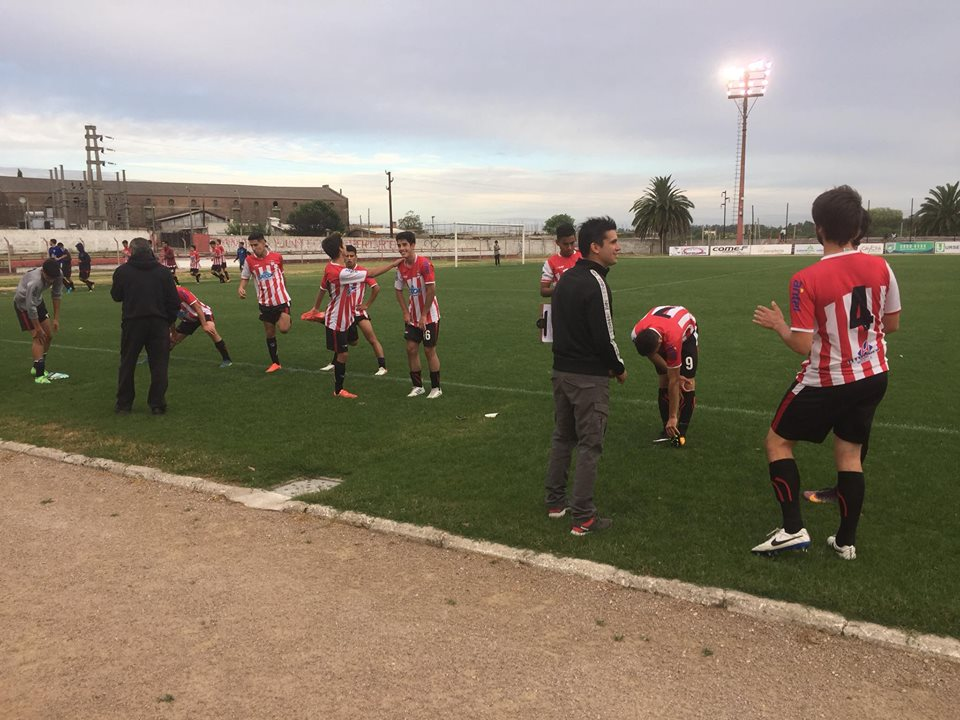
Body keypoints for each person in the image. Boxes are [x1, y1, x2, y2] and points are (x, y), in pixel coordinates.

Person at [750, 185, 901, 560]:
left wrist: (779, 326)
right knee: (850, 455)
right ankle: (845, 543)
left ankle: (791, 530)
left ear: (819, 229)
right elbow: (892, 323)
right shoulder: (881, 265)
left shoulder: (806, 278)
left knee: (777, 443)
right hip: (874, 374)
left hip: (828, 379)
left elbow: (802, 345)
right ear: (856, 227)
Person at [544, 216, 625, 536]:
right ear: (595, 247)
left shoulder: (565, 280)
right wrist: (618, 367)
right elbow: (605, 336)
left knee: (563, 437)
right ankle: (583, 516)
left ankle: (555, 502)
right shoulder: (595, 282)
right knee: (591, 445)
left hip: (561, 373)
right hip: (588, 378)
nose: (618, 247)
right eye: (614, 242)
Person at [309, 235, 400, 398]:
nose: (346, 248)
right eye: (343, 245)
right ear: (340, 249)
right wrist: (393, 264)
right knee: (343, 354)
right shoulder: (340, 272)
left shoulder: (334, 268)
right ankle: (338, 390)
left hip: (347, 317)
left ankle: (322, 319)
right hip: (337, 320)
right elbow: (371, 273)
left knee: (352, 344)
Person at [111, 237, 180, 415]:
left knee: (127, 363)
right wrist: (167, 321)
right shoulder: (163, 272)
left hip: (133, 322)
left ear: (132, 252)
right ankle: (157, 403)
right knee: (159, 365)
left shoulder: (122, 271)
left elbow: (116, 296)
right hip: (158, 323)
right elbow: (174, 302)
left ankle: (124, 404)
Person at [319, 244, 391, 376]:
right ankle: (334, 363)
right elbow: (326, 287)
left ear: (356, 257)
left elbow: (376, 287)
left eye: (352, 256)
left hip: (358, 311)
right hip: (344, 313)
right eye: (347, 256)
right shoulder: (341, 272)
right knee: (342, 339)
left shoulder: (362, 271)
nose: (349, 259)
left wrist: (366, 305)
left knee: (371, 338)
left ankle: (382, 366)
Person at [631, 306, 699, 445]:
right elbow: (651, 354)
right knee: (663, 380)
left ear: (660, 343)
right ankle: (666, 430)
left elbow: (674, 380)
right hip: (661, 327)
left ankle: (681, 431)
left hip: (686, 334)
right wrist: (672, 373)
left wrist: (673, 416)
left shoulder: (672, 341)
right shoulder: (636, 334)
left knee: (686, 383)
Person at [394, 231, 442, 398]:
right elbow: (398, 290)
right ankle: (417, 386)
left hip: (429, 315)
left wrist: (424, 315)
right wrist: (405, 311)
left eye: (405, 245)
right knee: (411, 348)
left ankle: (436, 388)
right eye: (399, 245)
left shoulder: (425, 264)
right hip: (412, 317)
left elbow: (431, 289)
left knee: (429, 350)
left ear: (413, 245)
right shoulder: (400, 266)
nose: (401, 248)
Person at [238, 231, 292, 373]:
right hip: (264, 302)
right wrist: (241, 288)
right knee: (269, 333)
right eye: (252, 246)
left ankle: (288, 318)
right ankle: (275, 363)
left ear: (263, 242)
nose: (254, 248)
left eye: (256, 245)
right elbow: (245, 277)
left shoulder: (276, 257)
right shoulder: (249, 261)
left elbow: (282, 274)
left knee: (284, 329)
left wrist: (284, 291)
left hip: (281, 300)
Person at [14, 258, 63, 384]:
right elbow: (30, 307)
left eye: (53, 278)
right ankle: (39, 375)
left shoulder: (58, 274)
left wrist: (56, 318)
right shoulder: (35, 282)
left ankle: (37, 368)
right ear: (43, 271)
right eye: (49, 277)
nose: (51, 281)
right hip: (23, 305)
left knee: (48, 336)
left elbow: (56, 294)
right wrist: (37, 327)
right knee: (39, 337)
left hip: (38, 301)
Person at [170, 286, 233, 368]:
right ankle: (155, 357)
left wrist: (204, 324)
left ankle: (227, 359)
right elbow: (170, 318)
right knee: (170, 341)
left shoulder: (180, 291)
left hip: (203, 313)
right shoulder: (163, 299)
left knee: (210, 330)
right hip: (189, 319)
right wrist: (174, 333)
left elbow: (198, 307)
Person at [539, 223, 581, 297]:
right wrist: (562, 290)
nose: (569, 247)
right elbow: (543, 291)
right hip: (562, 306)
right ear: (557, 242)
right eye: (565, 244)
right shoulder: (550, 262)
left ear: (575, 239)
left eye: (572, 243)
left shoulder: (583, 257)